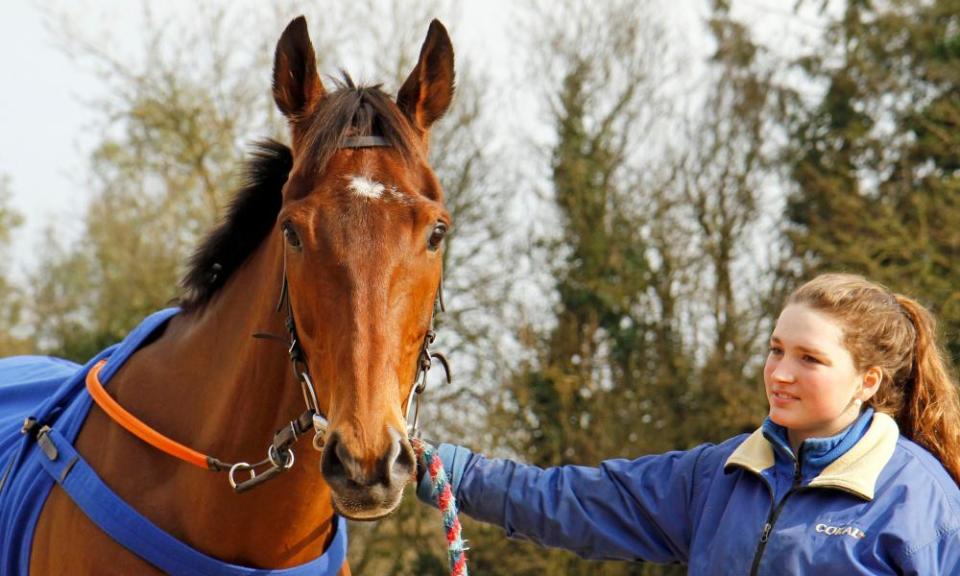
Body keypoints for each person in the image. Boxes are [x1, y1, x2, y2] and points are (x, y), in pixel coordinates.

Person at [416, 273, 960, 574]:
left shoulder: (920, 503)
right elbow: (574, 502)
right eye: (775, 350)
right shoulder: (719, 476)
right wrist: (446, 470)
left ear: (868, 381)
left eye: (809, 359)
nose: (781, 374)